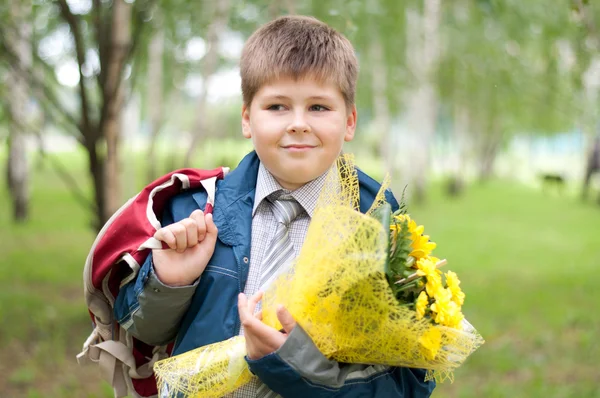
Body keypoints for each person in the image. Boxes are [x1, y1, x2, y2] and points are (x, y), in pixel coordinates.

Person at [114, 15, 436, 397]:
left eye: (318, 107)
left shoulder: (378, 224)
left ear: (349, 122)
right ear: (247, 119)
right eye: (277, 107)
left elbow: (409, 386)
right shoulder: (199, 208)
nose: (298, 123)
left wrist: (298, 362)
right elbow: (144, 331)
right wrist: (171, 283)